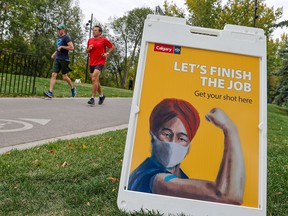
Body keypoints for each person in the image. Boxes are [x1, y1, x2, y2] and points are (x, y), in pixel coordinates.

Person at [128, 98, 246, 205]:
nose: (172, 143)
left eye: (181, 138)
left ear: (189, 144)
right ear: (153, 133)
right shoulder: (157, 179)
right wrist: (230, 130)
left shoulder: (179, 176)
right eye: (167, 134)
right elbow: (227, 195)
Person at [44, 23, 76, 98]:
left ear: (63, 30)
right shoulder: (58, 38)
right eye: (58, 29)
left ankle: (73, 88)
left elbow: (72, 48)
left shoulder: (66, 37)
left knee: (64, 77)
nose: (58, 31)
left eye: (60, 29)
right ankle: (50, 92)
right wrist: (54, 54)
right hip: (57, 58)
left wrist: (62, 46)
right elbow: (58, 48)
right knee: (53, 74)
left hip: (64, 59)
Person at [86, 25, 115, 105]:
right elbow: (87, 51)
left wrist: (107, 53)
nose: (93, 31)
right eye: (93, 30)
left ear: (100, 32)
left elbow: (112, 47)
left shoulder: (104, 40)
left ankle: (92, 98)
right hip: (92, 62)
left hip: (100, 62)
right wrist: (89, 49)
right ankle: (102, 95)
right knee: (96, 81)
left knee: (94, 79)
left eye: (95, 30)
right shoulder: (90, 40)